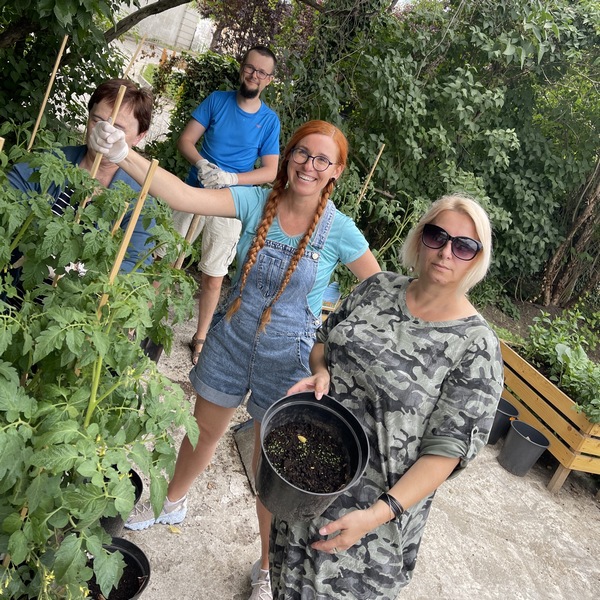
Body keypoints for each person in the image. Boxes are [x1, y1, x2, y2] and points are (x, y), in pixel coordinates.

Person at [89, 118, 381, 600]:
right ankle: (171, 502)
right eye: (302, 153)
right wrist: (124, 154)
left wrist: (326, 355)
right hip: (230, 339)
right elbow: (184, 197)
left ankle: (267, 566)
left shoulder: (340, 230)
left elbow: (375, 296)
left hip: (289, 361)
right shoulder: (255, 201)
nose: (310, 165)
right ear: (288, 157)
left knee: (274, 471)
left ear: (337, 172)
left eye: (322, 159)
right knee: (201, 431)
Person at [276, 194, 505, 599]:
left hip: (368, 524)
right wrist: (321, 371)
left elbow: (445, 454)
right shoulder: (376, 289)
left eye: (464, 245)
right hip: (306, 477)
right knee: (286, 583)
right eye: (437, 235)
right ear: (421, 239)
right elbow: (323, 344)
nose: (446, 251)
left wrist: (375, 516)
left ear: (477, 259)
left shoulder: (475, 346)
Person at [168, 45, 280, 365]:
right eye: (250, 68)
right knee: (165, 257)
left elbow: (271, 170)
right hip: (192, 190)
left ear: (269, 80)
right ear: (242, 68)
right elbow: (186, 140)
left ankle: (200, 335)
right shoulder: (217, 100)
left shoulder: (269, 121)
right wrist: (203, 164)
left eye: (261, 72)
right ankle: (143, 321)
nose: (254, 75)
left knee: (214, 274)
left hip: (230, 202)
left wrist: (232, 179)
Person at [8, 78, 156, 275]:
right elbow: (7, 198)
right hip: (14, 290)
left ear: (139, 137)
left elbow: (134, 266)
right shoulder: (51, 164)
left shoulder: (140, 201)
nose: (104, 133)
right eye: (97, 121)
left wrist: (86, 276)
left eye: (118, 129)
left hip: (81, 303)